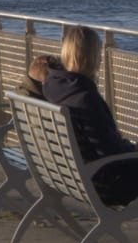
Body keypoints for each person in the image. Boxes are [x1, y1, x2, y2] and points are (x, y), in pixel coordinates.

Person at [35, 26, 138, 208]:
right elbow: (111, 150)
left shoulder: (53, 86)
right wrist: (132, 148)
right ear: (93, 57)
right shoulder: (85, 97)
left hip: (66, 175)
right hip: (104, 184)